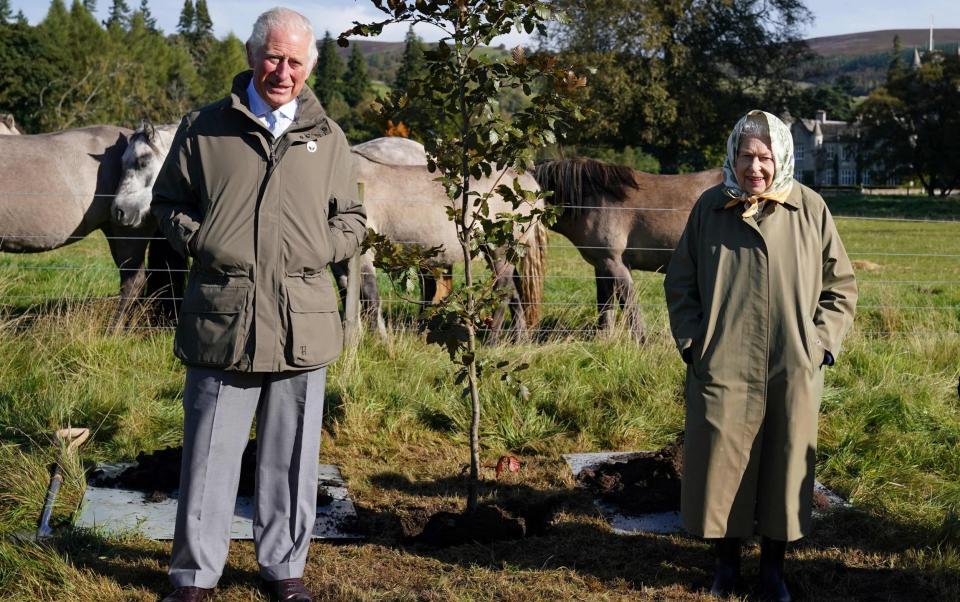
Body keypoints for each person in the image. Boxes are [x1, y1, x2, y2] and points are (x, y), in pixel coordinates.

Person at [150, 7, 366, 602]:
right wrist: (202, 240)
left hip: (303, 320)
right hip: (226, 314)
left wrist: (321, 245)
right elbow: (167, 203)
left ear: (309, 67)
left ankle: (283, 570)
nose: (283, 70)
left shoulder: (328, 137)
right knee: (209, 456)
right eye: (273, 56)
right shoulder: (204, 129)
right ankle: (194, 577)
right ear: (251, 57)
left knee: (293, 456)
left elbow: (352, 218)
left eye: (295, 61)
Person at [663, 110, 857, 601]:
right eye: (747, 156)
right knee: (721, 464)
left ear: (782, 158)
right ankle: (725, 567)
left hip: (792, 362)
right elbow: (680, 284)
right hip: (722, 361)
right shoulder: (711, 207)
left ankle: (774, 570)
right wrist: (693, 344)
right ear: (733, 156)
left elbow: (841, 287)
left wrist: (820, 345)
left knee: (784, 462)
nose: (755, 168)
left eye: (765, 157)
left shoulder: (809, 208)